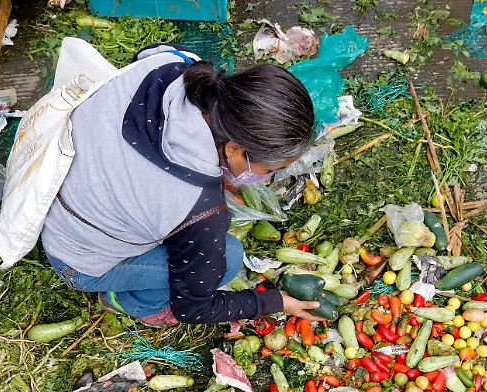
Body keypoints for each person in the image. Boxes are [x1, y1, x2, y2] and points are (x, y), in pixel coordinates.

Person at [41, 45, 323, 326]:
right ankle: (128, 301)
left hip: (46, 190)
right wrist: (274, 302)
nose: (267, 178)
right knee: (229, 258)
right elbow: (194, 309)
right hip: (76, 260)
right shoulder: (200, 210)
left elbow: (142, 54)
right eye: (269, 170)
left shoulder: (175, 63)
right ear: (234, 150)